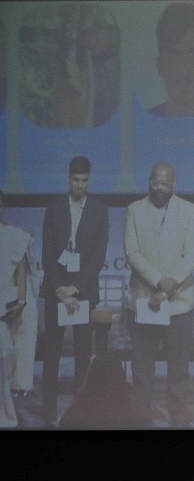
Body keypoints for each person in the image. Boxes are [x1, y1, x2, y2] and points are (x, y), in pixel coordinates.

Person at [125, 162, 194, 425]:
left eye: (164, 183)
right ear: (149, 182)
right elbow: (132, 252)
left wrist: (170, 284)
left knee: (178, 370)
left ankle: (178, 422)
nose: (159, 188)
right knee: (142, 370)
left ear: (173, 184)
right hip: (143, 301)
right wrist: (159, 282)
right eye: (155, 182)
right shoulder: (134, 210)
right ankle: (141, 422)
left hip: (179, 304)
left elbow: (191, 254)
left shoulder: (189, 210)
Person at [39, 156, 109, 425]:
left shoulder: (99, 210)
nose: (80, 185)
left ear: (89, 180)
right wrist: (60, 289)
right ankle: (48, 415)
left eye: (84, 180)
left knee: (82, 356)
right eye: (76, 180)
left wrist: (75, 288)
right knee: (51, 357)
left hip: (84, 292)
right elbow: (47, 252)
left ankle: (79, 415)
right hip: (55, 291)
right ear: (68, 179)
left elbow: (98, 256)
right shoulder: (53, 207)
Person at [0, 192, 35, 428]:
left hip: (3, 309)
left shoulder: (15, 236)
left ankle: (5, 414)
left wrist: (21, 302)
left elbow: (21, 273)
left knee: (4, 363)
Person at [149, 3, 194, 117]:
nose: (183, 70)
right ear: (160, 65)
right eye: (173, 56)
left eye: (193, 55)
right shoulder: (140, 121)